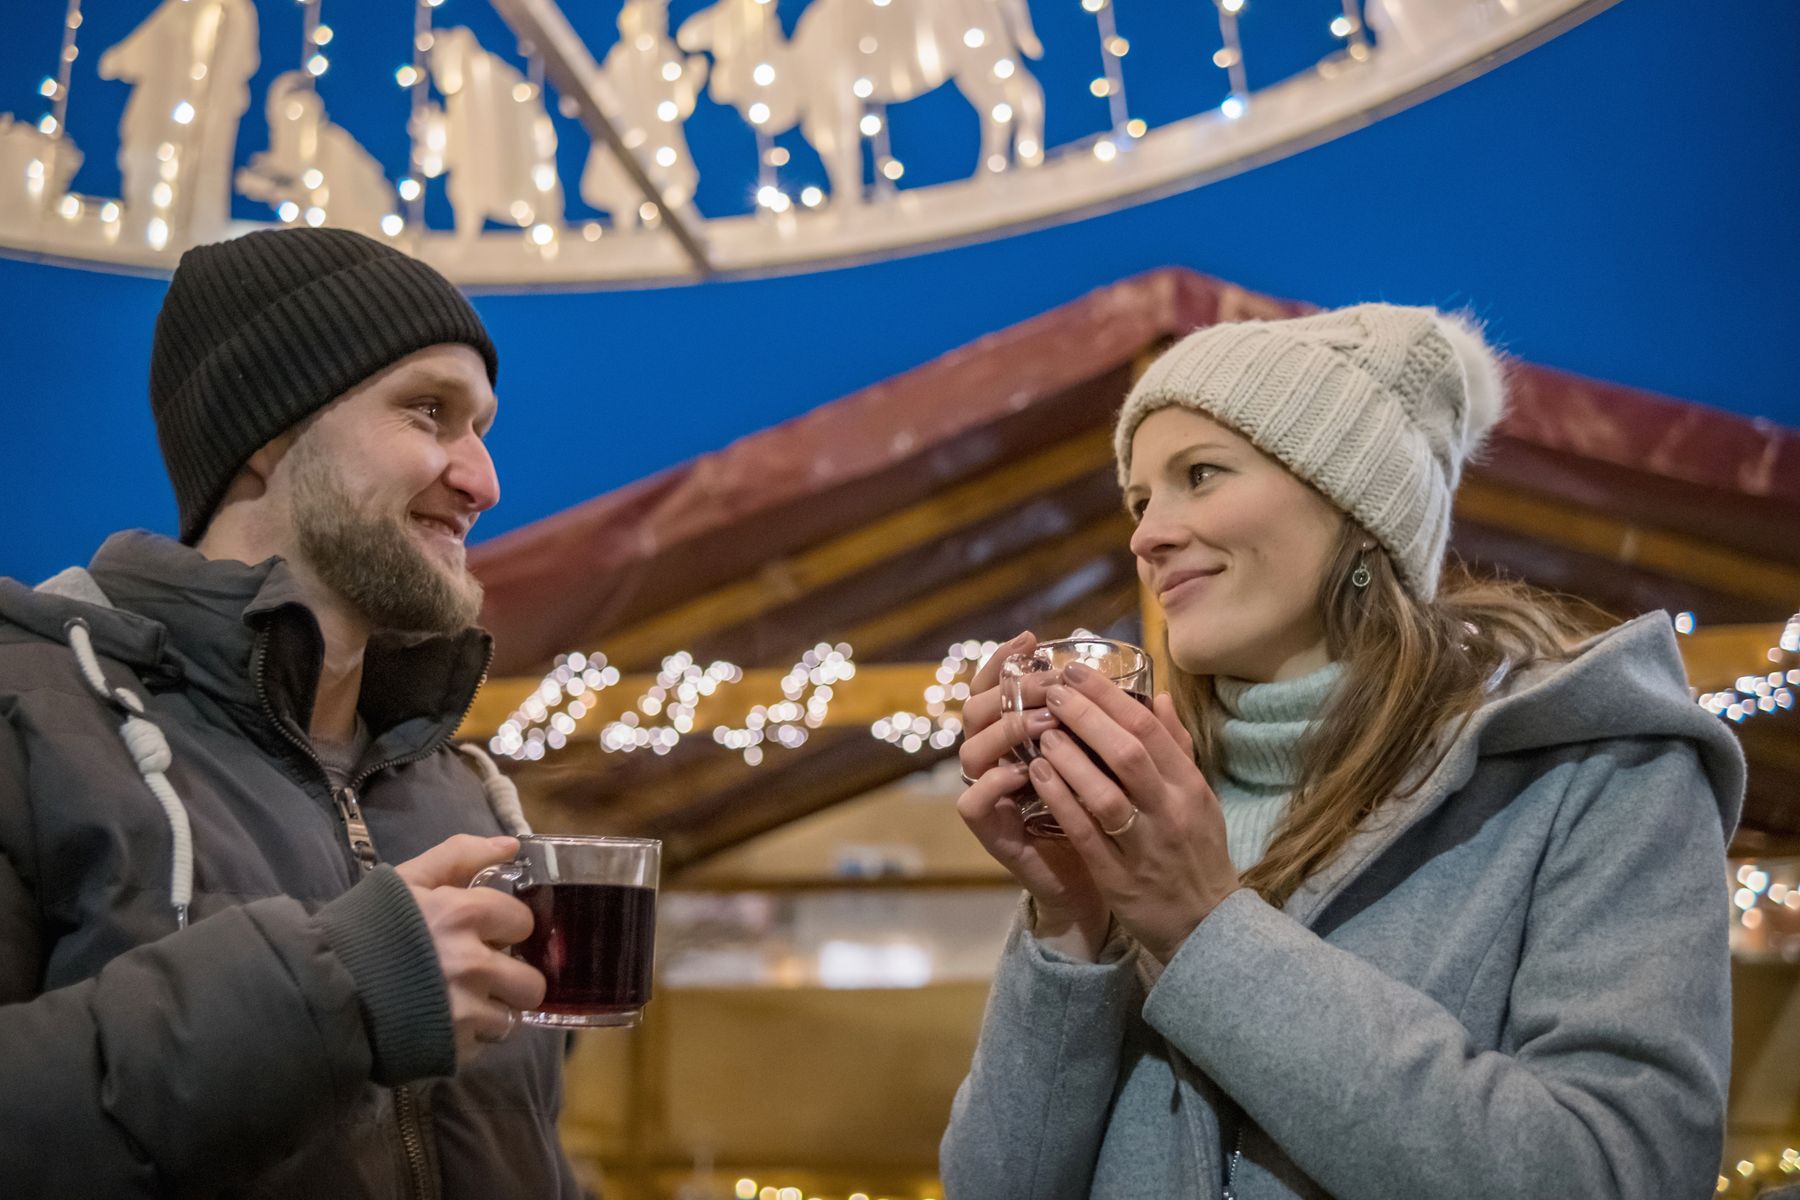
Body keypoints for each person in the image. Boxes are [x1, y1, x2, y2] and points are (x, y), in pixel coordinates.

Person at [941, 304, 1743, 1199]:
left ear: (1357, 506)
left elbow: (1620, 1174)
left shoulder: (1600, 773)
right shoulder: (1153, 805)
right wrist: (1070, 920)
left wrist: (1202, 927)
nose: (1146, 535)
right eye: (1139, 500)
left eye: (1200, 474)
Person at [0, 227, 580, 1197]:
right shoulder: (31, 719)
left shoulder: (460, 791)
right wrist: (341, 988)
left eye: (481, 428)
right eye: (428, 412)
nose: (484, 482)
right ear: (267, 436)